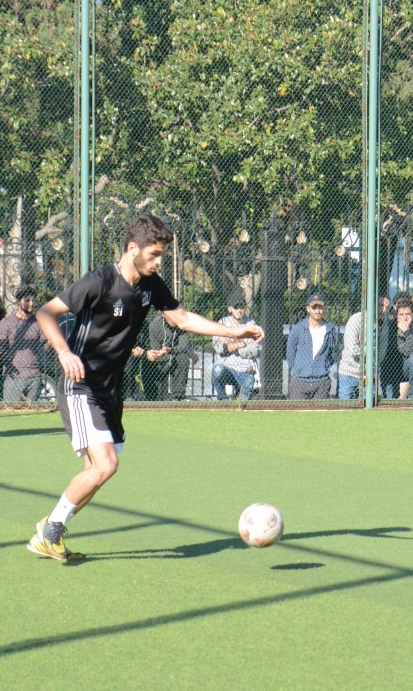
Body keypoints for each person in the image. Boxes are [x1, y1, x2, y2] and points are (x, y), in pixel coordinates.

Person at [26, 214, 263, 561]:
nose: (159, 261)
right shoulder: (100, 281)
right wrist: (64, 352)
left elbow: (181, 318)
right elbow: (46, 313)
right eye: (154, 254)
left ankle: (51, 531)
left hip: (110, 389)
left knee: (98, 470)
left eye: (162, 255)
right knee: (105, 465)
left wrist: (233, 331)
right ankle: (50, 530)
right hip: (81, 383)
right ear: (132, 248)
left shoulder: (151, 286)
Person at [285, 293, 340, 400]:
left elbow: (333, 354)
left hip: (321, 382)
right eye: (314, 308)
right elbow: (290, 354)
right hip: (299, 382)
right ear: (308, 309)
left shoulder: (330, 330)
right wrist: (299, 369)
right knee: (298, 410)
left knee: (319, 411)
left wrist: (323, 367)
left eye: (320, 308)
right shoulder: (298, 329)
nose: (318, 311)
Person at [0, 286, 47, 403]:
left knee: (31, 411)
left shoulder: (39, 322)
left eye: (33, 300)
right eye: (27, 300)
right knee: (11, 409)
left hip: (34, 374)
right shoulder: (7, 322)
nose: (31, 304)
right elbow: (1, 344)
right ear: (19, 301)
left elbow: (45, 347)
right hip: (14, 376)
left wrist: (52, 339)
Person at [212, 294, 260, 401]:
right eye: (236, 307)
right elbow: (218, 347)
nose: (239, 310)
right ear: (230, 309)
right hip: (226, 367)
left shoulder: (251, 325)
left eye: (241, 307)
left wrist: (233, 347)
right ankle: (224, 403)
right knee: (217, 370)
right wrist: (242, 343)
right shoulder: (222, 323)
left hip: (244, 369)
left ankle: (240, 405)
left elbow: (255, 349)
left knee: (249, 381)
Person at [139, 313, 192, 401]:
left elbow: (183, 346)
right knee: (154, 397)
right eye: (171, 317)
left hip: (172, 356)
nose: (173, 320)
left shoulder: (182, 325)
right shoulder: (154, 324)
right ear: (164, 315)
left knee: (183, 358)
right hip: (156, 360)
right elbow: (154, 347)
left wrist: (170, 349)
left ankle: (178, 396)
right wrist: (160, 353)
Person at [336, 308, 364, 399]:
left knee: (368, 405)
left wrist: (362, 344)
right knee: (345, 406)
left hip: (368, 375)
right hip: (348, 373)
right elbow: (354, 350)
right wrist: (369, 348)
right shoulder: (356, 319)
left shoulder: (382, 323)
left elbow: (380, 353)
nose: (384, 310)